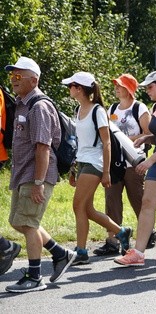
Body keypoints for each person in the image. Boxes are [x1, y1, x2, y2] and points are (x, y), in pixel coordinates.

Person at [4, 56, 76, 292]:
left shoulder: (39, 107)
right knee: (18, 221)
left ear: (33, 80)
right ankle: (60, 253)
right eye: (11, 75)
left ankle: (35, 276)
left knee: (27, 222)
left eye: (18, 76)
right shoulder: (22, 103)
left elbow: (43, 147)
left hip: (36, 175)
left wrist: (38, 183)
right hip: (24, 173)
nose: (13, 80)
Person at [63, 71, 133, 265]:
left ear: (79, 89)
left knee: (78, 205)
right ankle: (121, 231)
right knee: (87, 209)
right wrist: (74, 168)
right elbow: (81, 142)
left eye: (71, 86)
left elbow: (107, 142)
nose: (69, 89)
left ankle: (82, 251)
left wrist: (106, 172)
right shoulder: (78, 110)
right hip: (83, 161)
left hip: (96, 162)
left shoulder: (98, 111)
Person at [114, 70, 156, 267]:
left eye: (150, 87)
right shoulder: (155, 106)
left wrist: (149, 161)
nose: (146, 91)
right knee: (147, 204)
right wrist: (146, 138)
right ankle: (138, 253)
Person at [93, 74, 152, 256]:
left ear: (129, 89)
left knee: (138, 199)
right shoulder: (111, 109)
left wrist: (123, 139)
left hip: (134, 162)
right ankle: (113, 240)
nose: (116, 88)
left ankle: (148, 232)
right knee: (111, 200)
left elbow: (148, 134)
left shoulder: (139, 108)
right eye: (116, 85)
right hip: (115, 163)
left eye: (120, 85)